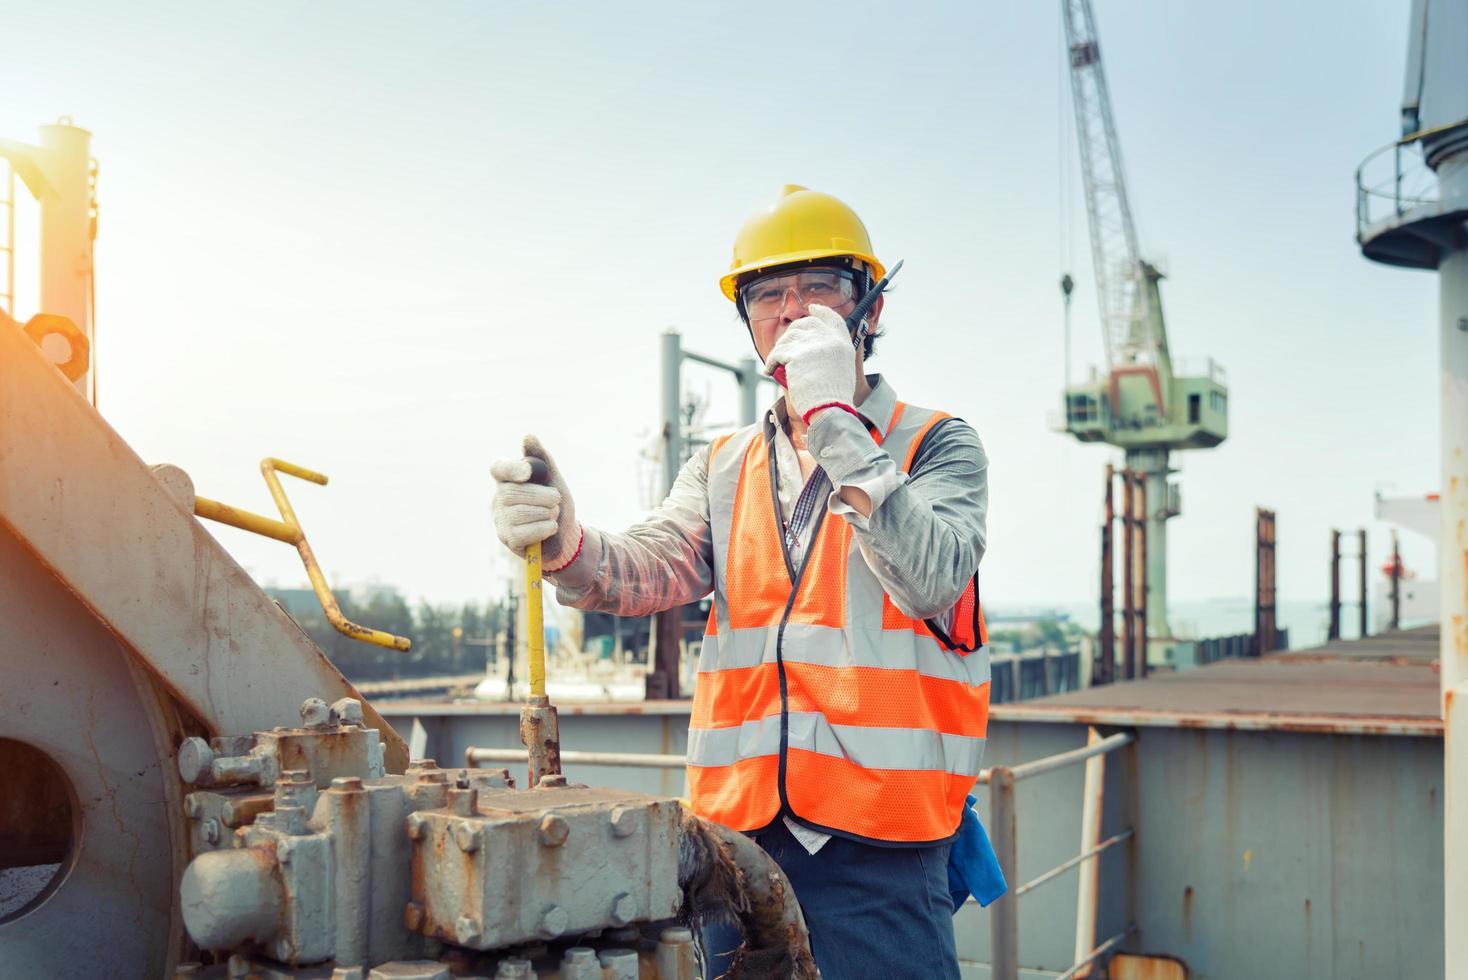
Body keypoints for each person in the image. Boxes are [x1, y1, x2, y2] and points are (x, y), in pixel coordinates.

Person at [491, 185, 992, 978]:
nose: (791, 311)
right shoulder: (723, 465)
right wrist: (567, 544)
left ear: (870, 304)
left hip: (881, 853)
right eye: (766, 294)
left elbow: (930, 577)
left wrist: (832, 418)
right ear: (749, 321)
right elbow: (654, 567)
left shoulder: (936, 445)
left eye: (818, 287)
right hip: (734, 850)